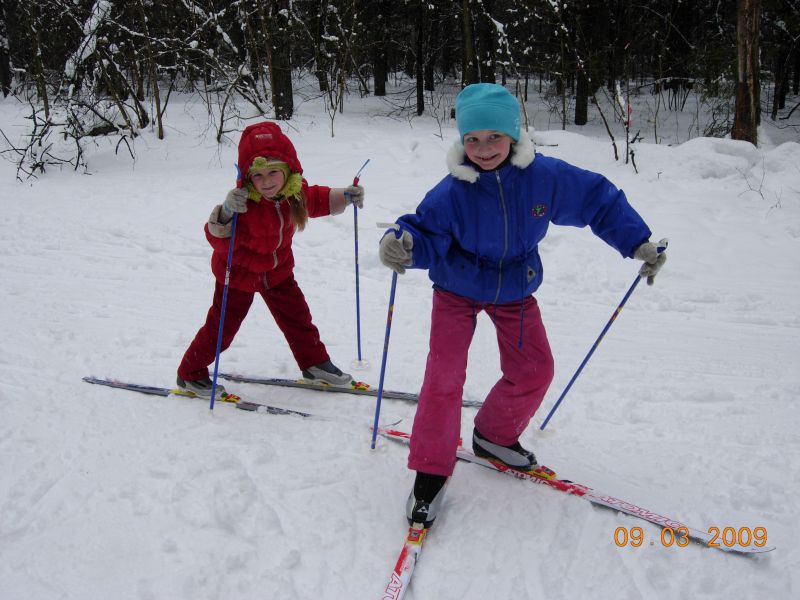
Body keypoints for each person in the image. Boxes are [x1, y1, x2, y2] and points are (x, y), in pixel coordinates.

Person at [378, 83, 666, 528]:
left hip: (514, 285)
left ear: (514, 134)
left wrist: (637, 242)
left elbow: (597, 200)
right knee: (445, 376)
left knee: (535, 369)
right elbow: (422, 233)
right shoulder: (452, 191)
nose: (484, 149)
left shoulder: (543, 177)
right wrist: (403, 246)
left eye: (494, 136)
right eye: (472, 139)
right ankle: (430, 472)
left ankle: (494, 435)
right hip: (456, 289)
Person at [177, 121, 364, 397]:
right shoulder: (244, 204)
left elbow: (318, 198)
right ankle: (189, 374)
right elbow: (216, 238)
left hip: (277, 273)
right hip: (238, 274)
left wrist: (345, 196)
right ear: (247, 177)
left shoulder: (293, 194)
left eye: (273, 172)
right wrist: (226, 213)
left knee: (299, 318)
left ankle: (315, 364)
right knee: (222, 328)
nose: (266, 182)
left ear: (288, 170)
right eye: (258, 175)